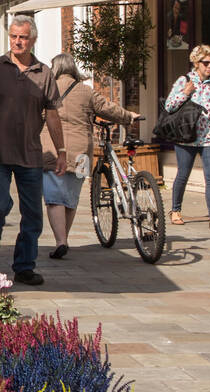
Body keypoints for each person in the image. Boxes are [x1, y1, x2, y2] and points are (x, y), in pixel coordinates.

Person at [0, 14, 68, 286]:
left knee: (33, 214)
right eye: (13, 36)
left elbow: (53, 115)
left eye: (23, 37)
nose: (17, 41)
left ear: (32, 39)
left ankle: (24, 265)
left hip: (31, 153)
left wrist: (61, 150)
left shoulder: (44, 73)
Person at [40, 53, 140, 259]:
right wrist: (129, 116)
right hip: (82, 151)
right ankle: (64, 238)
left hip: (52, 148)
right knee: (71, 197)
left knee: (53, 198)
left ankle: (61, 240)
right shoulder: (85, 91)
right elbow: (107, 108)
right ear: (73, 68)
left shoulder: (46, 90)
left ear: (55, 69)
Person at [167, 44, 210, 230]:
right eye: (206, 63)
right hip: (186, 137)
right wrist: (185, 93)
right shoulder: (184, 80)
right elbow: (169, 106)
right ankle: (176, 210)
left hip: (209, 137)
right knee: (183, 174)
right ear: (196, 63)